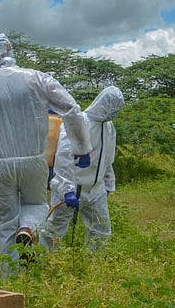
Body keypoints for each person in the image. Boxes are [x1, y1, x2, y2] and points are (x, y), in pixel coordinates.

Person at [0, 33, 92, 266]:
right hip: (33, 161)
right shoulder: (38, 79)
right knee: (36, 205)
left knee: (4, 223)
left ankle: (7, 276)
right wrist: (82, 147)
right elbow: (72, 109)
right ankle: (27, 228)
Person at [40, 86, 124, 252]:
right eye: (113, 108)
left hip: (96, 190)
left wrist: (108, 183)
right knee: (54, 231)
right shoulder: (79, 121)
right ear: (104, 105)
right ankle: (46, 259)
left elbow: (108, 157)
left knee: (101, 230)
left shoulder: (108, 127)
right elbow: (63, 156)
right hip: (72, 188)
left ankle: (93, 261)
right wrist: (67, 189)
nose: (114, 113)